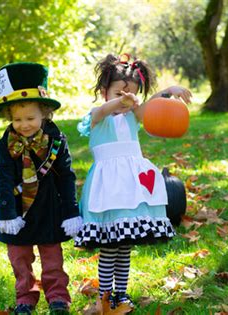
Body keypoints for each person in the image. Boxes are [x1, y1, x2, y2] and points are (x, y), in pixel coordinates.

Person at [74, 53, 192, 310]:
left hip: (132, 189)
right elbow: (101, 111)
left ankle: (121, 293)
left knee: (125, 245)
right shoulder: (98, 116)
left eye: (131, 96)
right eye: (118, 94)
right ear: (104, 91)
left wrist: (168, 91)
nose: (125, 101)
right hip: (108, 189)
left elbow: (150, 107)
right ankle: (104, 295)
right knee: (109, 246)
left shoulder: (132, 116)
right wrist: (117, 103)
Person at [0, 62, 83, 315]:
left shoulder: (56, 142)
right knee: (19, 257)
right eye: (17, 119)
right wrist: (7, 214)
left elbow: (66, 177)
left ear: (45, 114)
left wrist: (71, 210)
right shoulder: (5, 144)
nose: (24, 124)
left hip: (48, 206)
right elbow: (3, 178)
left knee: (52, 257)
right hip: (17, 209)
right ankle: (25, 297)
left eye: (30, 118)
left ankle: (58, 297)